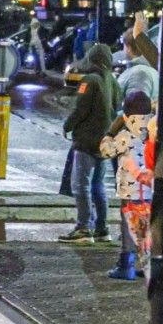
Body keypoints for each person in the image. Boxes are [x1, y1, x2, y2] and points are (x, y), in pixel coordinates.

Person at [59, 42, 123, 244]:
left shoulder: (90, 80)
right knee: (98, 186)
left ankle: (84, 228)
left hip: (86, 141)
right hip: (104, 143)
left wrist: (67, 126)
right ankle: (102, 229)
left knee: (81, 185)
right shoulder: (113, 82)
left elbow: (80, 109)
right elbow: (117, 110)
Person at [99, 90, 154, 280]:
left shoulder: (125, 136)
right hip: (148, 187)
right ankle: (148, 267)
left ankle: (126, 266)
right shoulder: (153, 130)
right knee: (146, 228)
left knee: (129, 227)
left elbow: (106, 151)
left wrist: (109, 133)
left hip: (130, 189)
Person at [118, 33, 159, 102]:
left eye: (124, 46)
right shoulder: (146, 69)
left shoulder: (139, 72)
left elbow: (137, 107)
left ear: (128, 48)